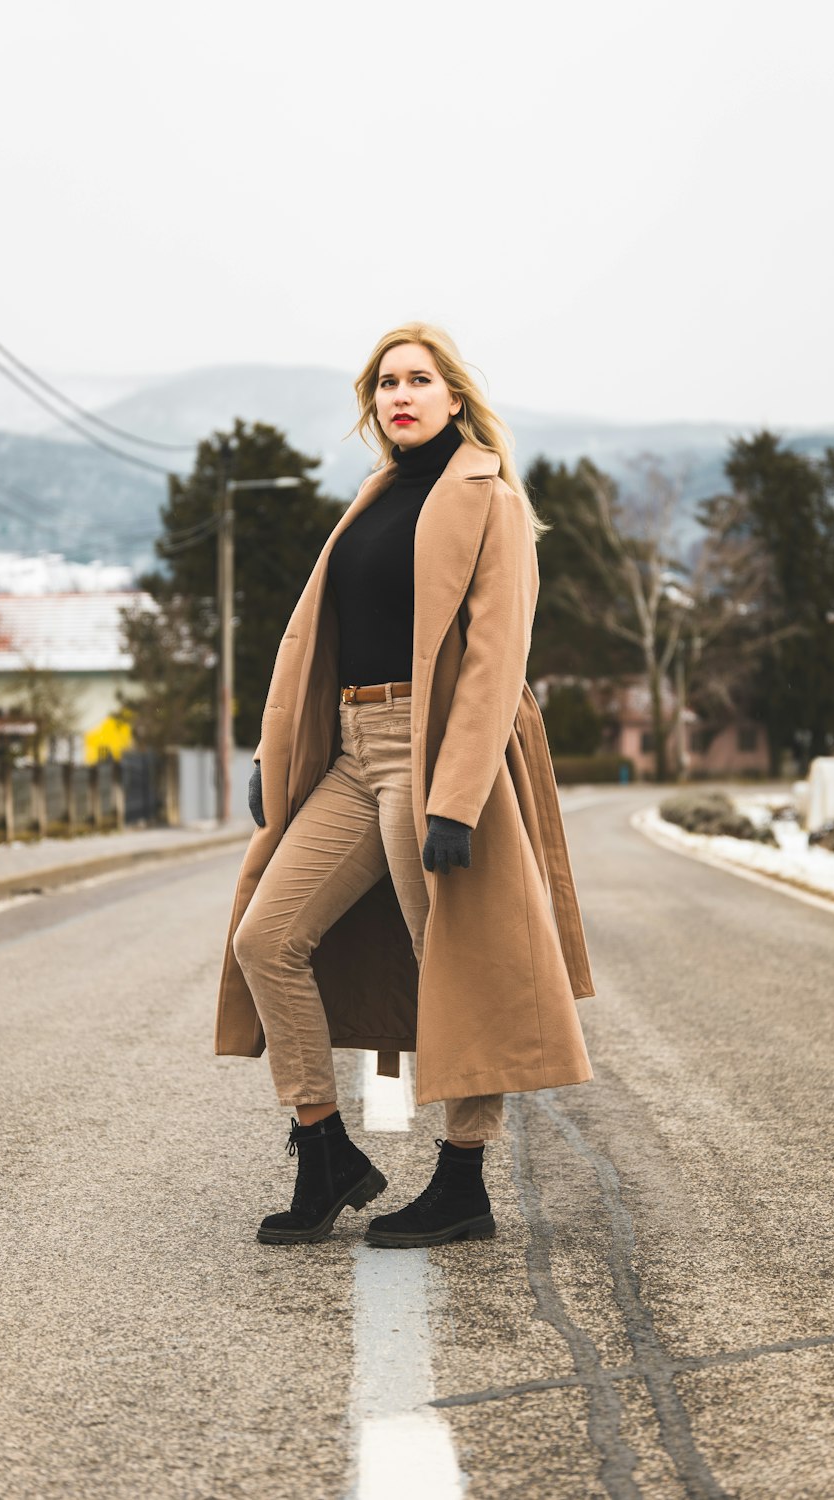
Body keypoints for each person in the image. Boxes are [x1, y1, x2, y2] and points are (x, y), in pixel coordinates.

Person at [214, 322, 594, 1248]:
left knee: (456, 965)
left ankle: (463, 1181)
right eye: (386, 384)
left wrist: (455, 797)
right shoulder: (378, 495)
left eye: (420, 380)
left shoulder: (487, 497)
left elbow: (497, 657)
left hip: (431, 755)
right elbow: (315, 640)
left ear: (454, 397)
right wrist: (278, 751)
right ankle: (326, 1155)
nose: (400, 396)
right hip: (350, 746)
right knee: (266, 935)